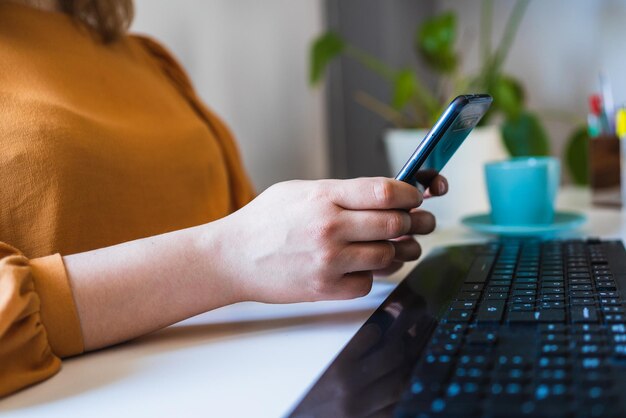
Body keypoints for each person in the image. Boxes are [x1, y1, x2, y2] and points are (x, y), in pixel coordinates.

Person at [0, 0, 447, 397]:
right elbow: (234, 249)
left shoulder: (147, 59)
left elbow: (239, 233)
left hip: (265, 387)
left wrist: (333, 248)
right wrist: (227, 258)